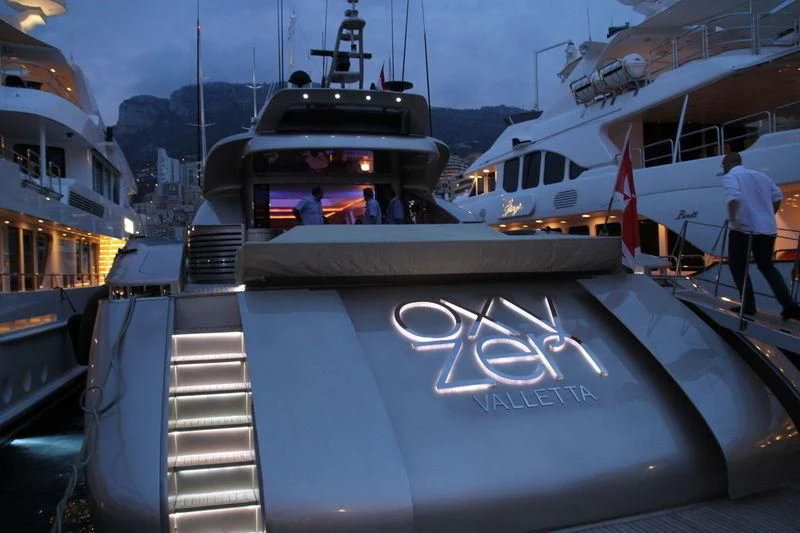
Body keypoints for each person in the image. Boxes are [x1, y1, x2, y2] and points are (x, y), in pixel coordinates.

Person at [721, 152, 800, 319]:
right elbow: (778, 196)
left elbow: (734, 198)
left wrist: (734, 220)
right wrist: (768, 215)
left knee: (737, 266)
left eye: (723, 166)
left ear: (728, 165)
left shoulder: (731, 177)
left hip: (743, 230)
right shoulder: (761, 176)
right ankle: (790, 306)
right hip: (767, 230)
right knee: (767, 267)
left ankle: (748, 306)